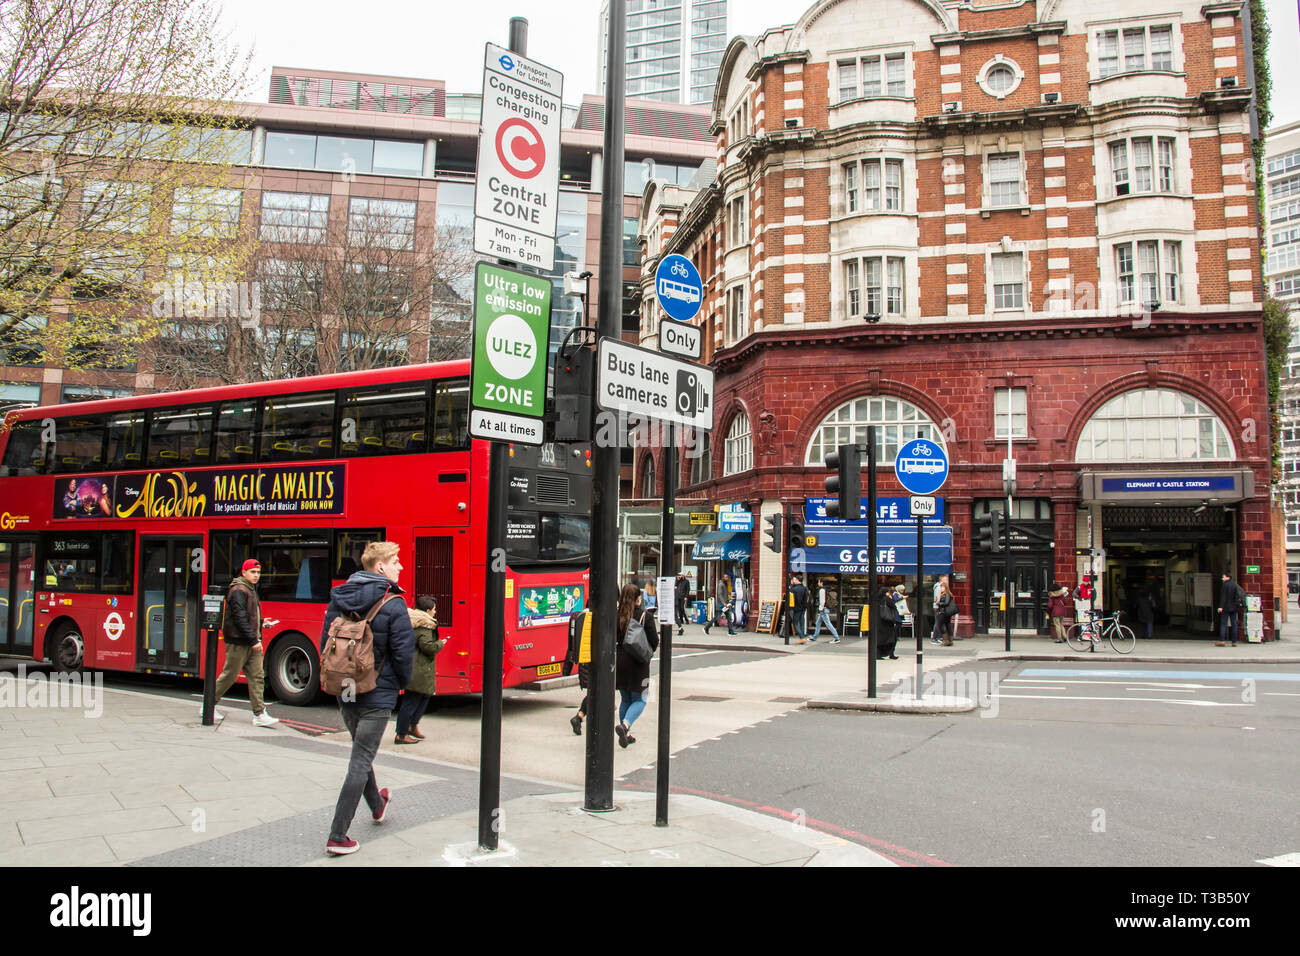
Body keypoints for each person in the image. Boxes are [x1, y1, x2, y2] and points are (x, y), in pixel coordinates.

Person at [323, 541, 415, 856]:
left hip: (345, 689)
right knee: (360, 760)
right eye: (396, 561)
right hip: (378, 692)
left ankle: (377, 804)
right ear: (380, 567)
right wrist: (401, 685)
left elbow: (327, 642)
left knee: (360, 754)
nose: (400, 566)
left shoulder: (339, 598)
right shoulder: (394, 603)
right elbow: (403, 654)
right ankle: (337, 835)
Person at [207, 559, 279, 727]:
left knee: (257, 677)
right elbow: (239, 617)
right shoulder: (238, 590)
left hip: (249, 640)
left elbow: (246, 615)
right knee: (229, 676)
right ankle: (208, 705)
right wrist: (253, 640)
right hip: (239, 642)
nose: (256, 576)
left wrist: (261, 622)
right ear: (244, 572)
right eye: (253, 572)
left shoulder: (248, 589)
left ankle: (259, 714)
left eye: (258, 573)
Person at [394, 597, 444, 745]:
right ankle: (401, 734)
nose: (435, 612)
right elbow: (427, 646)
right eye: (434, 609)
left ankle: (412, 726)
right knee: (412, 700)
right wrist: (441, 643)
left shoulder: (413, 620)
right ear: (428, 611)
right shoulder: (425, 625)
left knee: (423, 696)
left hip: (415, 666)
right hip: (418, 668)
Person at [615, 583, 658, 748]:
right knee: (641, 699)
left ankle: (627, 734)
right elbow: (654, 641)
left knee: (625, 698)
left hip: (620, 660)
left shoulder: (617, 615)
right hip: (638, 663)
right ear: (638, 598)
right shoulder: (644, 616)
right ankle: (625, 726)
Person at [562, 607, 592, 735]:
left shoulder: (580, 616)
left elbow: (571, 642)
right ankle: (578, 717)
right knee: (597, 694)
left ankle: (579, 717)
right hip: (592, 665)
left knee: (594, 694)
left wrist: (567, 668)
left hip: (584, 664)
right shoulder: (598, 617)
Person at [809, 578, 840, 644]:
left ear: (822, 583)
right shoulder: (828, 589)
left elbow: (822, 601)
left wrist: (821, 608)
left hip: (823, 609)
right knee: (818, 623)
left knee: (828, 624)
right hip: (825, 608)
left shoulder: (822, 590)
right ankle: (814, 637)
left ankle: (836, 638)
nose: (818, 583)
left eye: (819, 582)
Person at [1215, 572, 1241, 647]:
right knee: (1234, 624)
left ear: (1227, 577)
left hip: (1225, 607)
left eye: (1224, 577)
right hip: (1234, 607)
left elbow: (1223, 597)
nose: (1222, 578)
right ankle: (1234, 642)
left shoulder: (1224, 585)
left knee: (1223, 623)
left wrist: (1220, 607)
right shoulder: (1235, 585)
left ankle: (1222, 641)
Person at [876, 584, 900, 659]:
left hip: (879, 622)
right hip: (887, 622)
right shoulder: (886, 599)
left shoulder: (877, 599)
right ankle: (890, 653)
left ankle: (879, 654)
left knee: (880, 639)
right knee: (891, 638)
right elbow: (893, 606)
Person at [931, 580, 957, 646]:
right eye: (941, 587)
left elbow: (946, 603)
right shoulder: (943, 594)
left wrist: (938, 603)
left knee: (941, 626)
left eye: (942, 587)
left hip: (944, 612)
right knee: (946, 626)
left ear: (946, 588)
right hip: (943, 612)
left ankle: (946, 640)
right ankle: (948, 641)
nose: (941, 588)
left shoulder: (947, 594)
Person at [789, 573, 810, 643]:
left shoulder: (793, 589)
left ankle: (802, 637)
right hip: (803, 608)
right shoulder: (805, 588)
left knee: (795, 623)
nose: (793, 580)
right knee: (802, 623)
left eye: (794, 579)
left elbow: (792, 599)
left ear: (797, 580)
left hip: (796, 608)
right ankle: (802, 637)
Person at [674, 572, 689, 637]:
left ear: (683, 575)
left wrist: (686, 596)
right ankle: (681, 620)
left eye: (681, 575)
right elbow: (675, 586)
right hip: (678, 596)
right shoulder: (678, 581)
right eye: (679, 575)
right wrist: (677, 580)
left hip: (683, 596)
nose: (680, 576)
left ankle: (686, 620)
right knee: (679, 608)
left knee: (682, 608)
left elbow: (687, 589)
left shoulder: (686, 581)